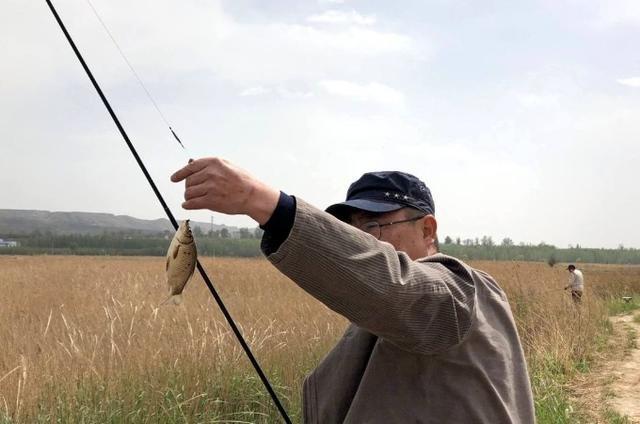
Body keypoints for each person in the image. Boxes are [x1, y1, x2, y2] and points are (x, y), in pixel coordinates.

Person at [171, 158, 535, 424]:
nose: (363, 241)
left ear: (428, 230)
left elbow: (396, 288)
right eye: (351, 230)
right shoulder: (383, 313)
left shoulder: (458, 291)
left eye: (375, 225)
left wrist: (263, 203)